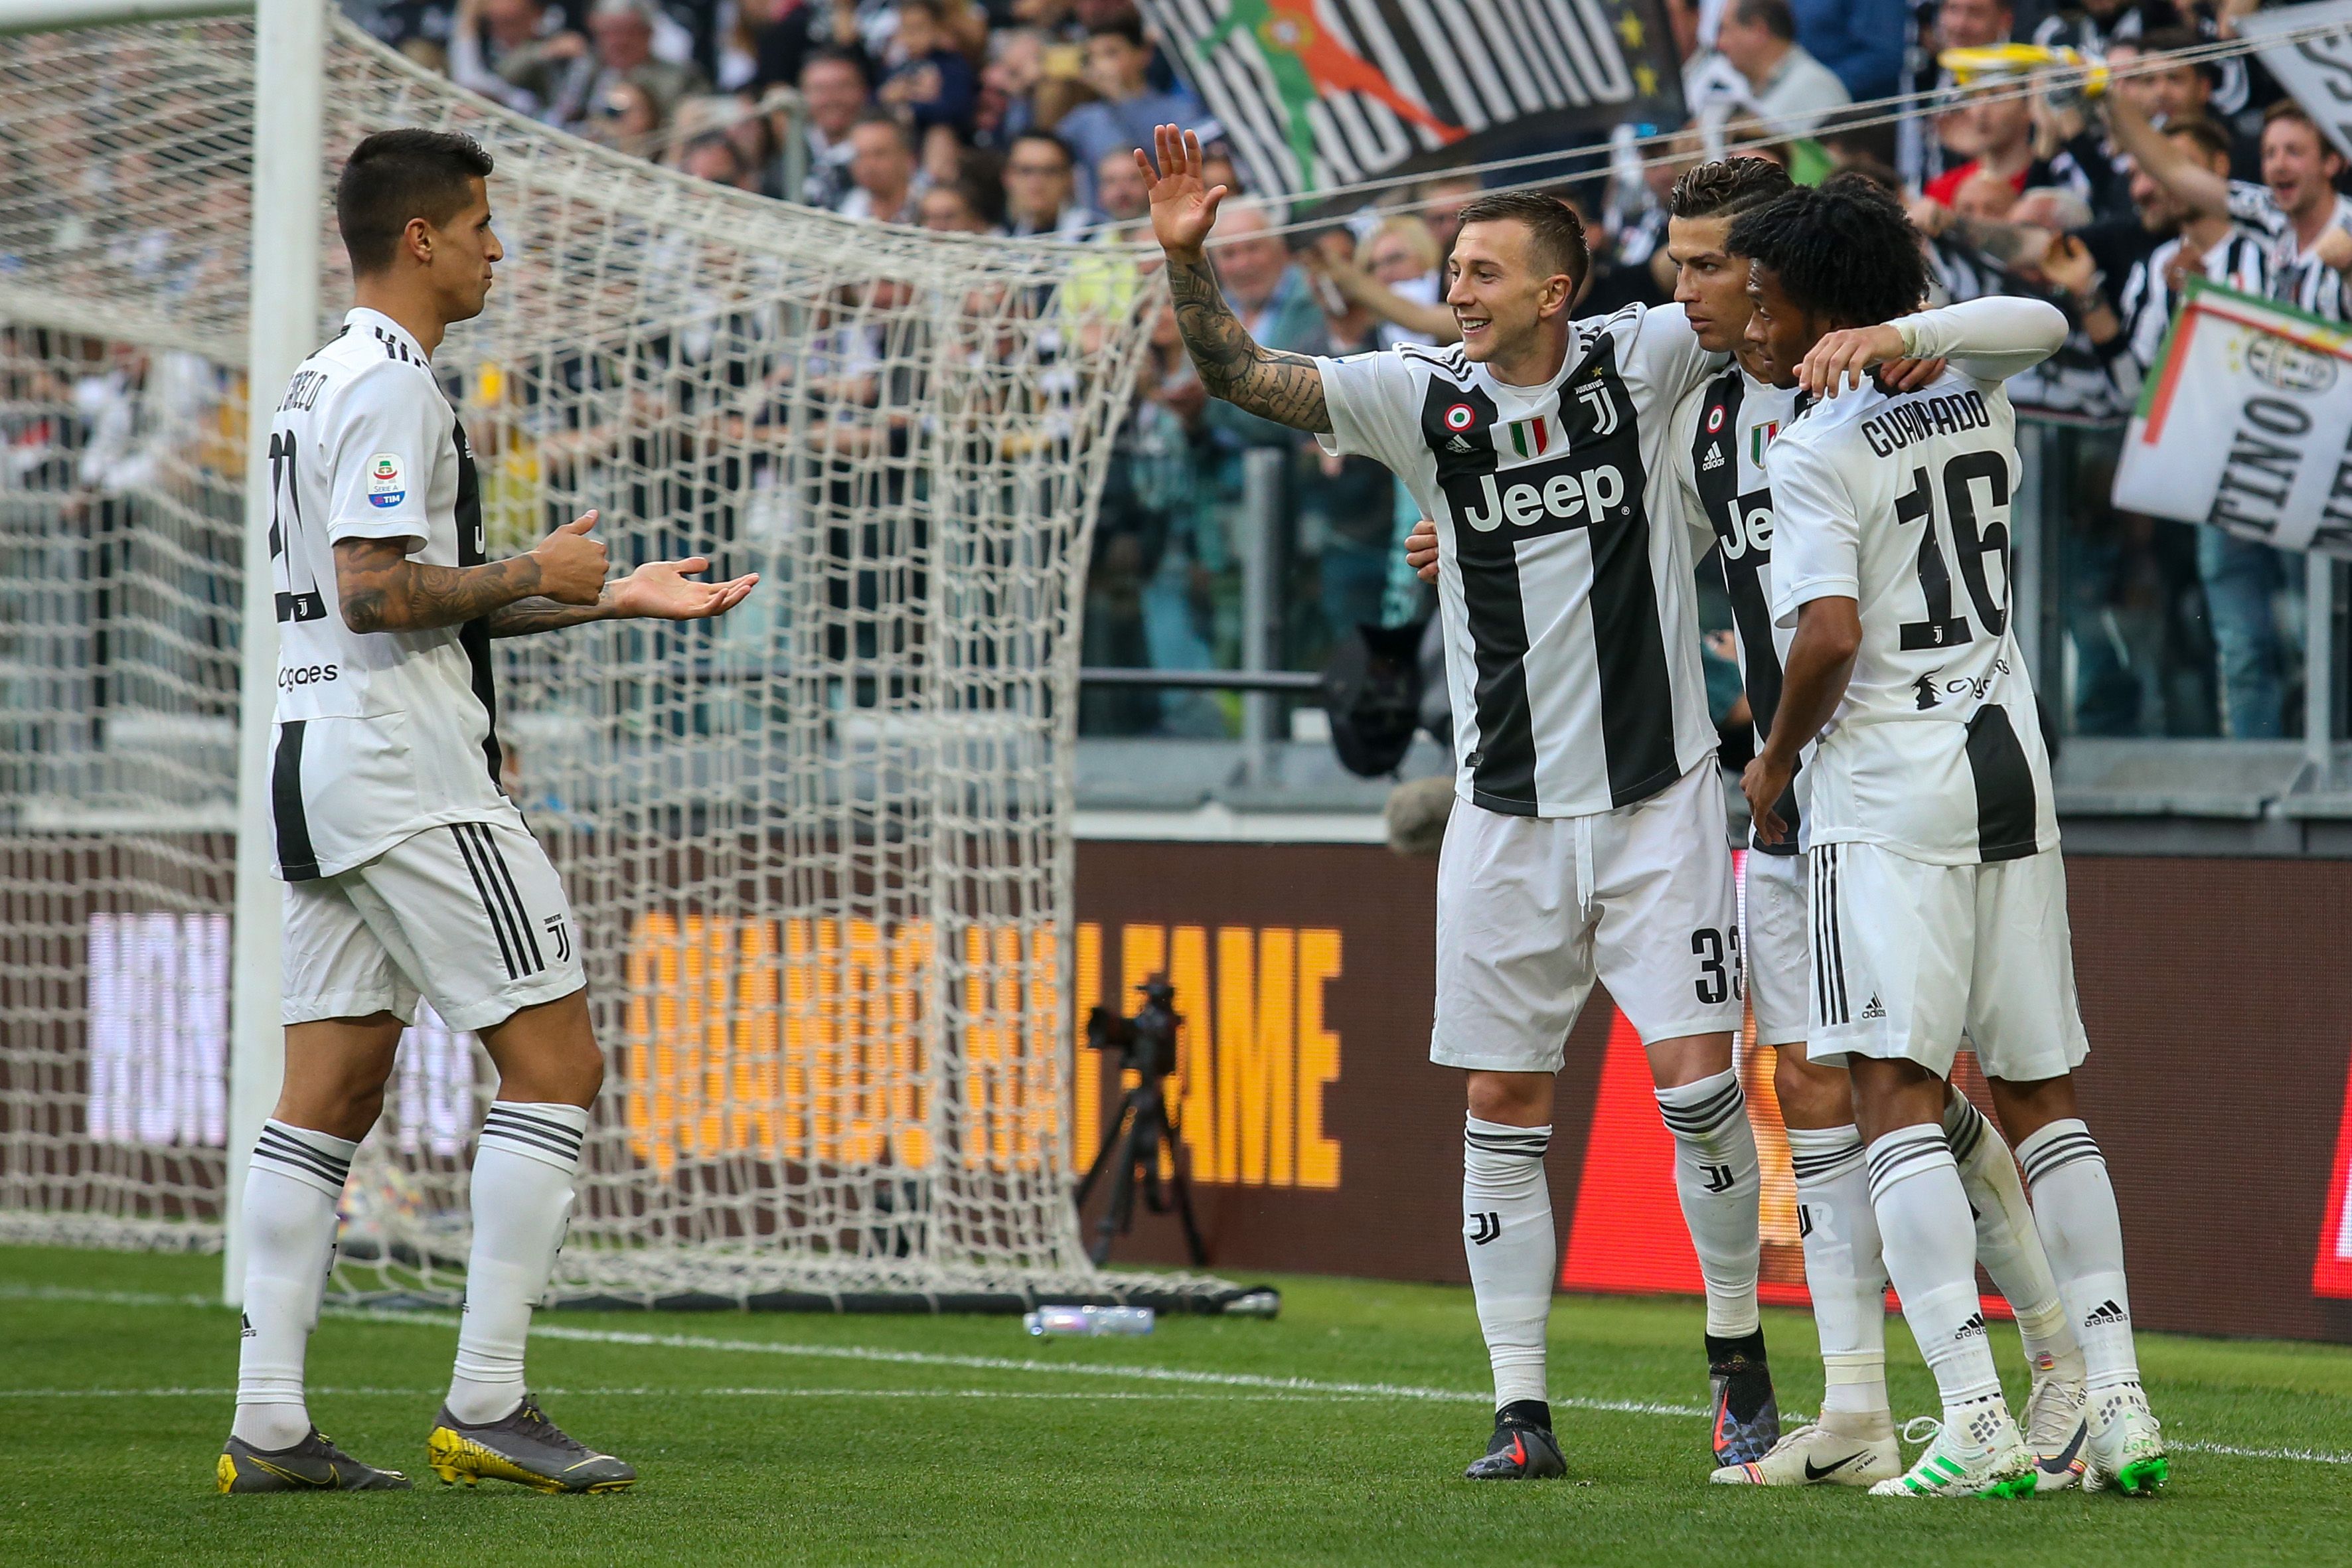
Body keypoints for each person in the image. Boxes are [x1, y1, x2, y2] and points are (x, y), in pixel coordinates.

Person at [1137, 125, 1762, 1482]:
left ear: (1555, 292)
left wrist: (1746, 199)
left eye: (1480, 273)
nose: (1454, 290)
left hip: (1659, 802)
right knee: (1501, 1095)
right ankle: (1519, 1412)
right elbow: (1240, 374)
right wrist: (1187, 262)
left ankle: (1738, 1370)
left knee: (1699, 1088)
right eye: (1454, 270)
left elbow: (1751, 294)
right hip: (1501, 810)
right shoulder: (1413, 395)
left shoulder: (1640, 359)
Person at [217, 128, 756, 1494]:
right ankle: (491, 1398)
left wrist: (602, 589)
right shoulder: (393, 385)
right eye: (480, 226)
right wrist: (537, 559)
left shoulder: (314, 377)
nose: (495, 250)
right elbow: (378, 590)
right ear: (421, 239)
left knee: (329, 1087)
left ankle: (269, 1419)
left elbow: (409, 595)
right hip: (409, 772)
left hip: (314, 753)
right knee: (560, 1063)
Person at [1733, 175, 2166, 1498]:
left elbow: (1825, 637)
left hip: (1886, 782)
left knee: (1891, 1090)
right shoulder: (1970, 385)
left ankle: (1971, 1412)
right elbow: (2035, 317)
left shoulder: (1807, 448)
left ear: (1820, 304)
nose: (1747, 314)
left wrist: (1774, 758)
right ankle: (2117, 1399)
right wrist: (1899, 335)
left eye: (1761, 291)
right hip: (2007, 759)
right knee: (2040, 1088)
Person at [1056, 16, 1204, 196]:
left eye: (1110, 53)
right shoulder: (1082, 119)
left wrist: (1120, 98)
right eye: (1091, 58)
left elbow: (1185, 166)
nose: (1100, 65)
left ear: (1144, 54)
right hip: (1103, 221)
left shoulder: (1180, 110)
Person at [1709, 0, 1851, 138]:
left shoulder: (1815, 89)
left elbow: (1830, 160)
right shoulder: (1747, 89)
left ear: (1759, 30)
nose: (1719, 44)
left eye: (1725, 30)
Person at [1000, 129, 1094, 238]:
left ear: (1069, 179)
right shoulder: (1002, 240)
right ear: (1007, 177)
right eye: (1026, 171)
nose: (1036, 182)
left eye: (1049, 171)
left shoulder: (1095, 235)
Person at [836, 110, 924, 224]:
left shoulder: (932, 209)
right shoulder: (845, 213)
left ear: (907, 158)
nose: (868, 165)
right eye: (859, 156)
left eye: (879, 154)